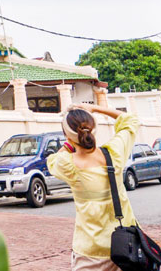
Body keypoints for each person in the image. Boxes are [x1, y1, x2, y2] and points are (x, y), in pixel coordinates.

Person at [47, 103, 140, 271]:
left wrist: (70, 143)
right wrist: (95, 108)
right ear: (94, 129)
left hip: (90, 250)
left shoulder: (67, 164)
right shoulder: (114, 154)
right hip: (126, 244)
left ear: (67, 135)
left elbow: (53, 159)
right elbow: (129, 119)